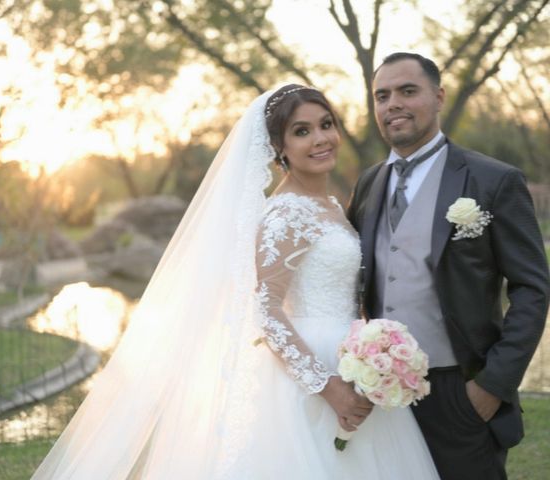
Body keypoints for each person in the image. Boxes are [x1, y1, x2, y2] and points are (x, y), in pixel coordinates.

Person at [31, 84, 439, 479]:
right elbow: (266, 308)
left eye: (325, 124)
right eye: (301, 131)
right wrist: (325, 385)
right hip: (309, 378)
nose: (321, 138)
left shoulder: (331, 205)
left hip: (352, 359)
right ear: (279, 147)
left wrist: (374, 353)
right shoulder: (285, 214)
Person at [347, 52, 550, 480]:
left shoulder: (493, 180)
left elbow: (533, 288)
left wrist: (491, 386)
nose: (392, 104)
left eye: (407, 91)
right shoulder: (368, 183)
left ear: (438, 96)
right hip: (383, 395)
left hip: (462, 391)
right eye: (382, 96)